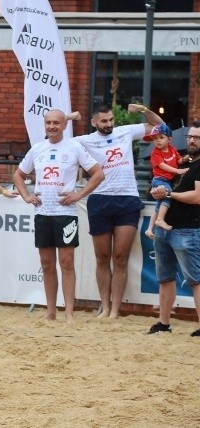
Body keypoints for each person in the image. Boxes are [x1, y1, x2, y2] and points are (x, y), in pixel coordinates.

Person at [73, 103, 164, 319]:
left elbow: (162, 128)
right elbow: (52, 140)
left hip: (127, 199)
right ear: (94, 122)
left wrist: (143, 110)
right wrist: (68, 118)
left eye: (111, 119)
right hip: (100, 200)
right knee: (102, 257)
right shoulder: (84, 140)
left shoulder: (125, 131)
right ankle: (105, 307)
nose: (109, 124)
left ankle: (115, 309)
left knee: (121, 257)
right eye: (103, 121)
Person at [13, 110, 104, 322]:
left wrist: (79, 194)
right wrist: (26, 196)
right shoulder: (38, 149)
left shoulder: (74, 147)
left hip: (66, 213)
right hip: (43, 212)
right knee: (46, 263)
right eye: (48, 123)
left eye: (56, 123)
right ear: (44, 125)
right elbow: (18, 174)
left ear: (64, 125)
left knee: (66, 262)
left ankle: (69, 313)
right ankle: (51, 312)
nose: (52, 126)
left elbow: (98, 173)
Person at [146, 120, 200, 336]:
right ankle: (163, 323)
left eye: (197, 137)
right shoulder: (180, 161)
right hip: (165, 229)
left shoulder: (197, 166)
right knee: (165, 277)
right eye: (190, 137)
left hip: (188, 228)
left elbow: (197, 197)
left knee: (196, 279)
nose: (192, 140)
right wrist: (160, 193)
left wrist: (168, 194)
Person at [143, 124, 188, 238]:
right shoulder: (155, 153)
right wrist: (177, 171)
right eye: (155, 138)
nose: (158, 141)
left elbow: (178, 160)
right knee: (168, 195)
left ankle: (149, 228)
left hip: (168, 180)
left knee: (159, 205)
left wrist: (184, 159)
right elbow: (162, 165)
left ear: (169, 139)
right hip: (159, 180)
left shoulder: (172, 149)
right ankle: (160, 220)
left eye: (161, 137)